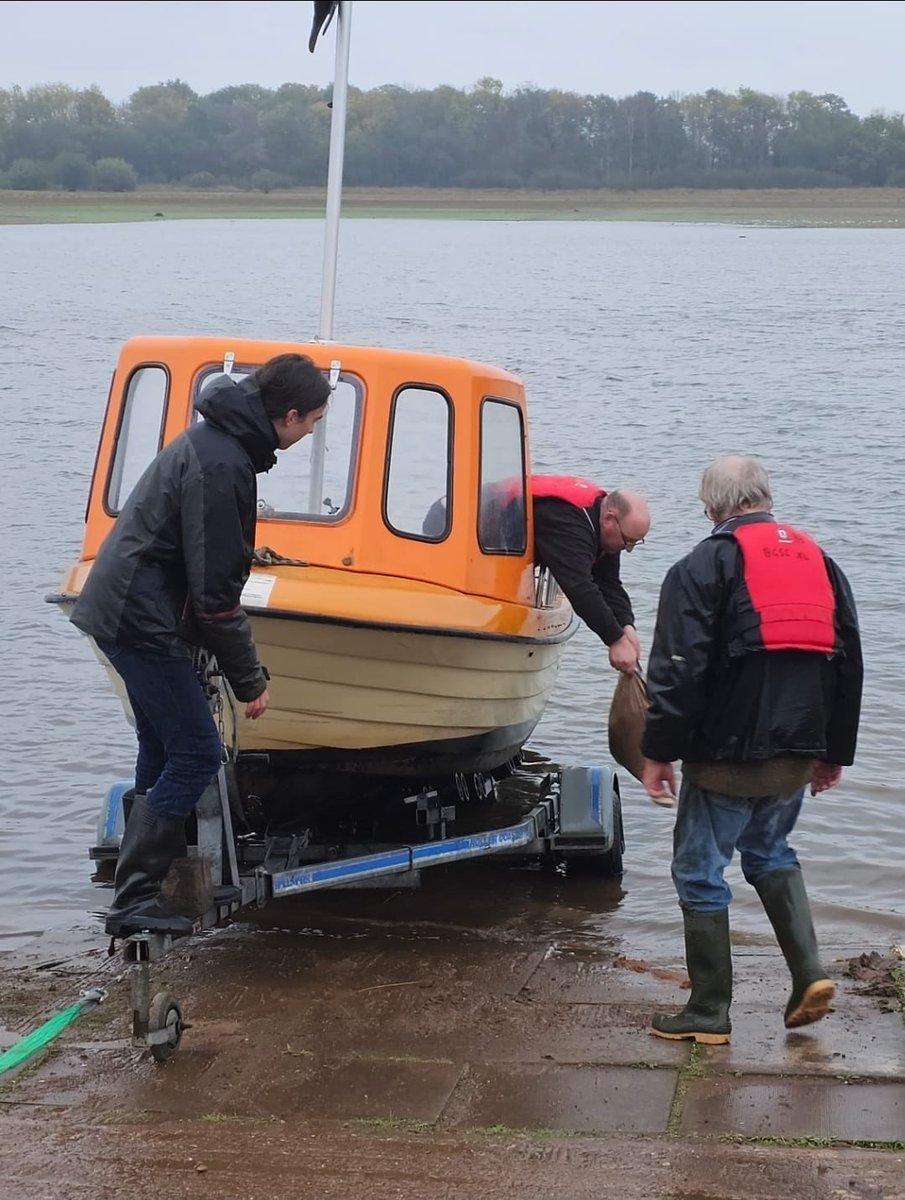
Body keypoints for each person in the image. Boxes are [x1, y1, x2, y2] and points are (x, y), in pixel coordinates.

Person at [71, 353, 331, 938]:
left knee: (165, 749)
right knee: (197, 754)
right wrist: (250, 681)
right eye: (313, 420)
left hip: (125, 610)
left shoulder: (218, 443)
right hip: (140, 619)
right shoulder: (223, 466)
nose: (312, 431)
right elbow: (217, 595)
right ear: (288, 416)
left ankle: (140, 893)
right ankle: (133, 899)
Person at [640, 455, 863, 1045]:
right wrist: (833, 751)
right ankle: (809, 974)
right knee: (771, 853)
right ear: (763, 496)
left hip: (724, 758)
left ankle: (709, 1010)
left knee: (699, 870)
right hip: (798, 751)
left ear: (712, 507)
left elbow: (678, 669)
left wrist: (658, 752)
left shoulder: (701, 565)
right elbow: (849, 663)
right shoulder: (823, 563)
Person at [531, 477, 651, 674]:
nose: (628, 549)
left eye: (634, 543)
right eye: (628, 541)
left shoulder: (604, 522)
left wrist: (626, 625)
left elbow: (608, 583)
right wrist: (615, 639)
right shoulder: (567, 521)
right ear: (609, 519)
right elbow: (579, 587)